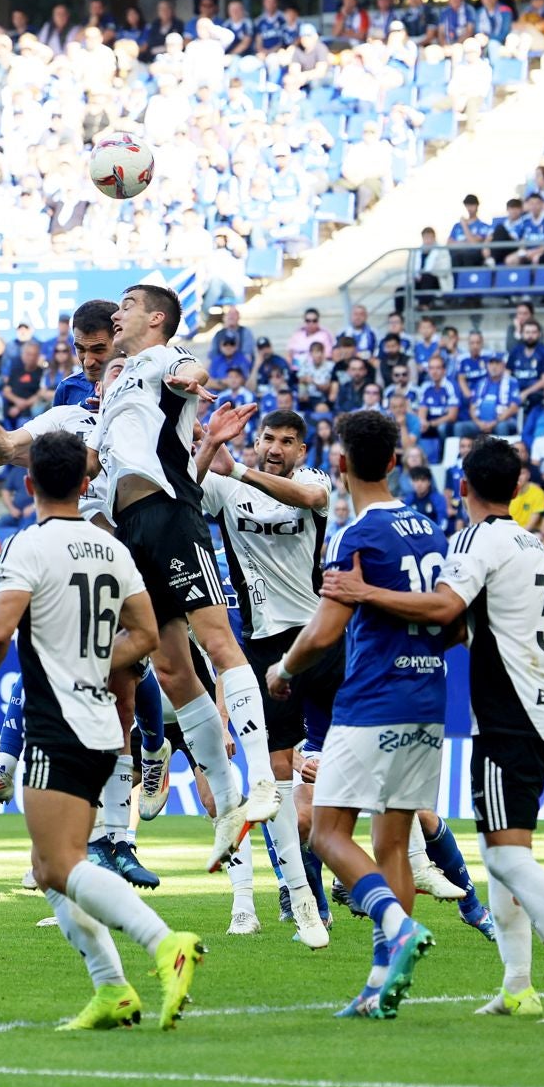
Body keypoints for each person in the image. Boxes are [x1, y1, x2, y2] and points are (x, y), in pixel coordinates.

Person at [319, 435, 544, 1024]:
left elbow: (442, 610)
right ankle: (517, 985)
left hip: (512, 712)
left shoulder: (475, 540)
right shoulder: (531, 540)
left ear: (462, 487)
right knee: (499, 851)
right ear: (517, 489)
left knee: (508, 860)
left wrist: (362, 592)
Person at [0, 431, 205, 1032]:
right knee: (47, 867)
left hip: (54, 723)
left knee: (61, 865)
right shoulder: (111, 549)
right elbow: (145, 635)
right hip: (100, 728)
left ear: (30, 483)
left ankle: (164, 942)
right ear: (86, 483)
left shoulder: (28, 546)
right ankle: (111, 989)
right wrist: (93, 661)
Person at [265, 410, 443, 1017]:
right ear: (394, 461)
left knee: (325, 831)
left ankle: (396, 926)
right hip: (429, 700)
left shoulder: (354, 536)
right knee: (392, 839)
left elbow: (325, 631)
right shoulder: (429, 528)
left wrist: (284, 671)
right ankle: (382, 985)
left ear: (340, 465)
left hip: (371, 702)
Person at [103, 284, 278, 869]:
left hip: (171, 514)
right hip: (130, 529)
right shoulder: (119, 376)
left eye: (127, 305)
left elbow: (190, 367)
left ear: (155, 319)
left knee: (218, 642)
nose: (116, 312)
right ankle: (229, 804)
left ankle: (262, 782)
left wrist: (188, 379)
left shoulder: (161, 358)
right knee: (173, 670)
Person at [193, 404, 337, 946]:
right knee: (277, 785)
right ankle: (302, 893)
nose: (275, 448)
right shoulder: (224, 487)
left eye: (286, 442)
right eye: (267, 439)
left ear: (303, 451)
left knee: (330, 784)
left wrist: (237, 470)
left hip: (315, 640)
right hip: (258, 647)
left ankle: (356, 868)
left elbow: (312, 501)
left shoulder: (311, 481)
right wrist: (206, 446)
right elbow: (187, 492)